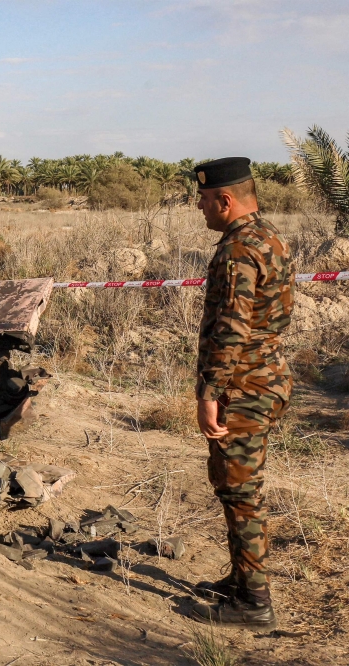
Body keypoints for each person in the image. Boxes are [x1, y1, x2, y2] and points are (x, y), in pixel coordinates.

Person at [189, 157, 294, 630]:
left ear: (225, 200)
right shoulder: (268, 236)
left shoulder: (236, 250)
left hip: (244, 386)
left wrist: (210, 391)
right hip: (265, 375)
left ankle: (255, 602)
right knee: (234, 485)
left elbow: (232, 328)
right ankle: (239, 580)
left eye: (206, 199)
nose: (201, 207)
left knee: (240, 490)